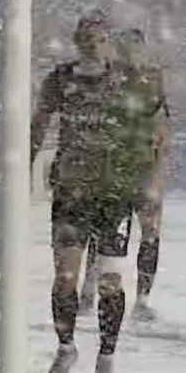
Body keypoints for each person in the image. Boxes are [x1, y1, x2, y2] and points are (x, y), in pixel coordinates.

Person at [30, 11, 168, 373]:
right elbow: (38, 125)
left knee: (110, 281)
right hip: (71, 192)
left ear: (111, 43)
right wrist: (21, 165)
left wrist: (152, 182)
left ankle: (106, 357)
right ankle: (66, 347)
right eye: (86, 40)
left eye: (100, 40)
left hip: (115, 194)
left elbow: (158, 131)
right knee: (65, 278)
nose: (93, 47)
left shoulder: (132, 80)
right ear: (76, 42)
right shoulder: (62, 79)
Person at [78, 27, 171, 322]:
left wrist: (158, 170)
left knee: (150, 231)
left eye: (136, 47)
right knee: (105, 233)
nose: (132, 54)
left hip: (143, 165)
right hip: (113, 169)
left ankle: (142, 299)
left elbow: (162, 125)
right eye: (126, 48)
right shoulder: (107, 79)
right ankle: (89, 290)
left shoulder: (152, 78)